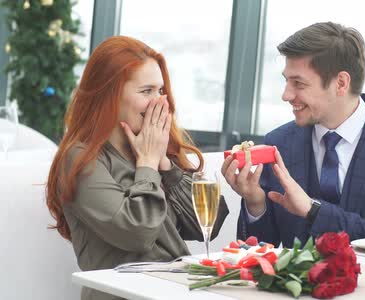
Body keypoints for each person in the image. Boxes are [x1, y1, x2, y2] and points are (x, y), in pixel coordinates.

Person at [46, 36, 229, 300]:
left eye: (161, 91)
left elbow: (207, 224)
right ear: (108, 95)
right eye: (146, 92)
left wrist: (165, 164)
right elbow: (137, 234)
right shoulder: (80, 158)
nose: (160, 103)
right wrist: (147, 165)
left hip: (175, 291)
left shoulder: (155, 149)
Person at [222, 22, 365, 247]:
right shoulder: (279, 142)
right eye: (287, 81)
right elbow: (259, 250)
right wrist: (256, 204)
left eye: (299, 84)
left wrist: (314, 211)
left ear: (341, 83)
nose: (286, 95)